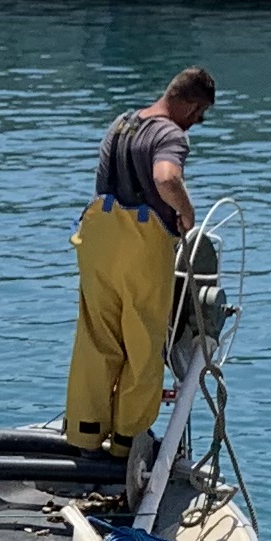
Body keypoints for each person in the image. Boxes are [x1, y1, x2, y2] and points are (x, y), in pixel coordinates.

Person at [65, 66, 213, 458]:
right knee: (142, 342)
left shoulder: (121, 124)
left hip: (97, 237)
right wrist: (186, 211)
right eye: (199, 115)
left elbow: (102, 184)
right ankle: (127, 443)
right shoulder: (170, 134)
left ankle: (85, 434)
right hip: (141, 242)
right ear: (191, 104)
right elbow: (165, 177)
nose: (197, 123)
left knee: (97, 338)